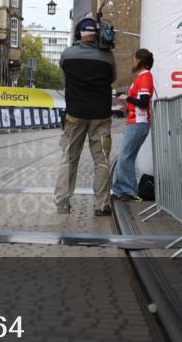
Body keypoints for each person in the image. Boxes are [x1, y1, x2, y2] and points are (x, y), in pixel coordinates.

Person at [54, 15, 116, 216]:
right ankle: (101, 205)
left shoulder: (68, 54)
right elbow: (113, 77)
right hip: (100, 115)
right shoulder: (107, 57)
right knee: (102, 160)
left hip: (75, 115)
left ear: (78, 34)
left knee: (69, 158)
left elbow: (62, 68)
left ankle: (63, 201)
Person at [112, 49, 156, 201]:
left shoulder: (144, 78)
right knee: (126, 157)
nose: (133, 63)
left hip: (138, 122)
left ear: (139, 61)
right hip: (135, 121)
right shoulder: (142, 77)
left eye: (134, 60)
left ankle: (128, 191)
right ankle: (120, 189)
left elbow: (143, 102)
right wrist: (126, 104)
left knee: (125, 157)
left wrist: (127, 98)